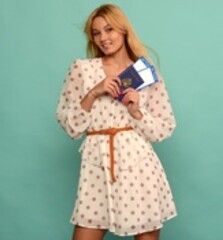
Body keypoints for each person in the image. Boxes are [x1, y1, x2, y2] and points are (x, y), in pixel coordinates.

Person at [55, 4, 177, 240]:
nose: (103, 38)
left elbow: (164, 127)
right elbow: (70, 125)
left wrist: (137, 112)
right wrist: (93, 93)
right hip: (95, 163)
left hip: (138, 163)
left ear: (123, 30)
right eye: (96, 33)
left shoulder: (146, 74)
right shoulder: (82, 69)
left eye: (109, 30)